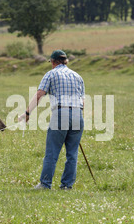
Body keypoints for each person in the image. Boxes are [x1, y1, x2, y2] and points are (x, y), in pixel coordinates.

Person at [19, 50, 85, 190]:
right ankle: (67, 186)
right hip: (78, 114)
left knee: (52, 152)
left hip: (61, 113)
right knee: (72, 154)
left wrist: (27, 113)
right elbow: (83, 101)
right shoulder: (78, 76)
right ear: (65, 61)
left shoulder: (51, 74)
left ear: (53, 62)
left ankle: (45, 184)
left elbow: (39, 95)